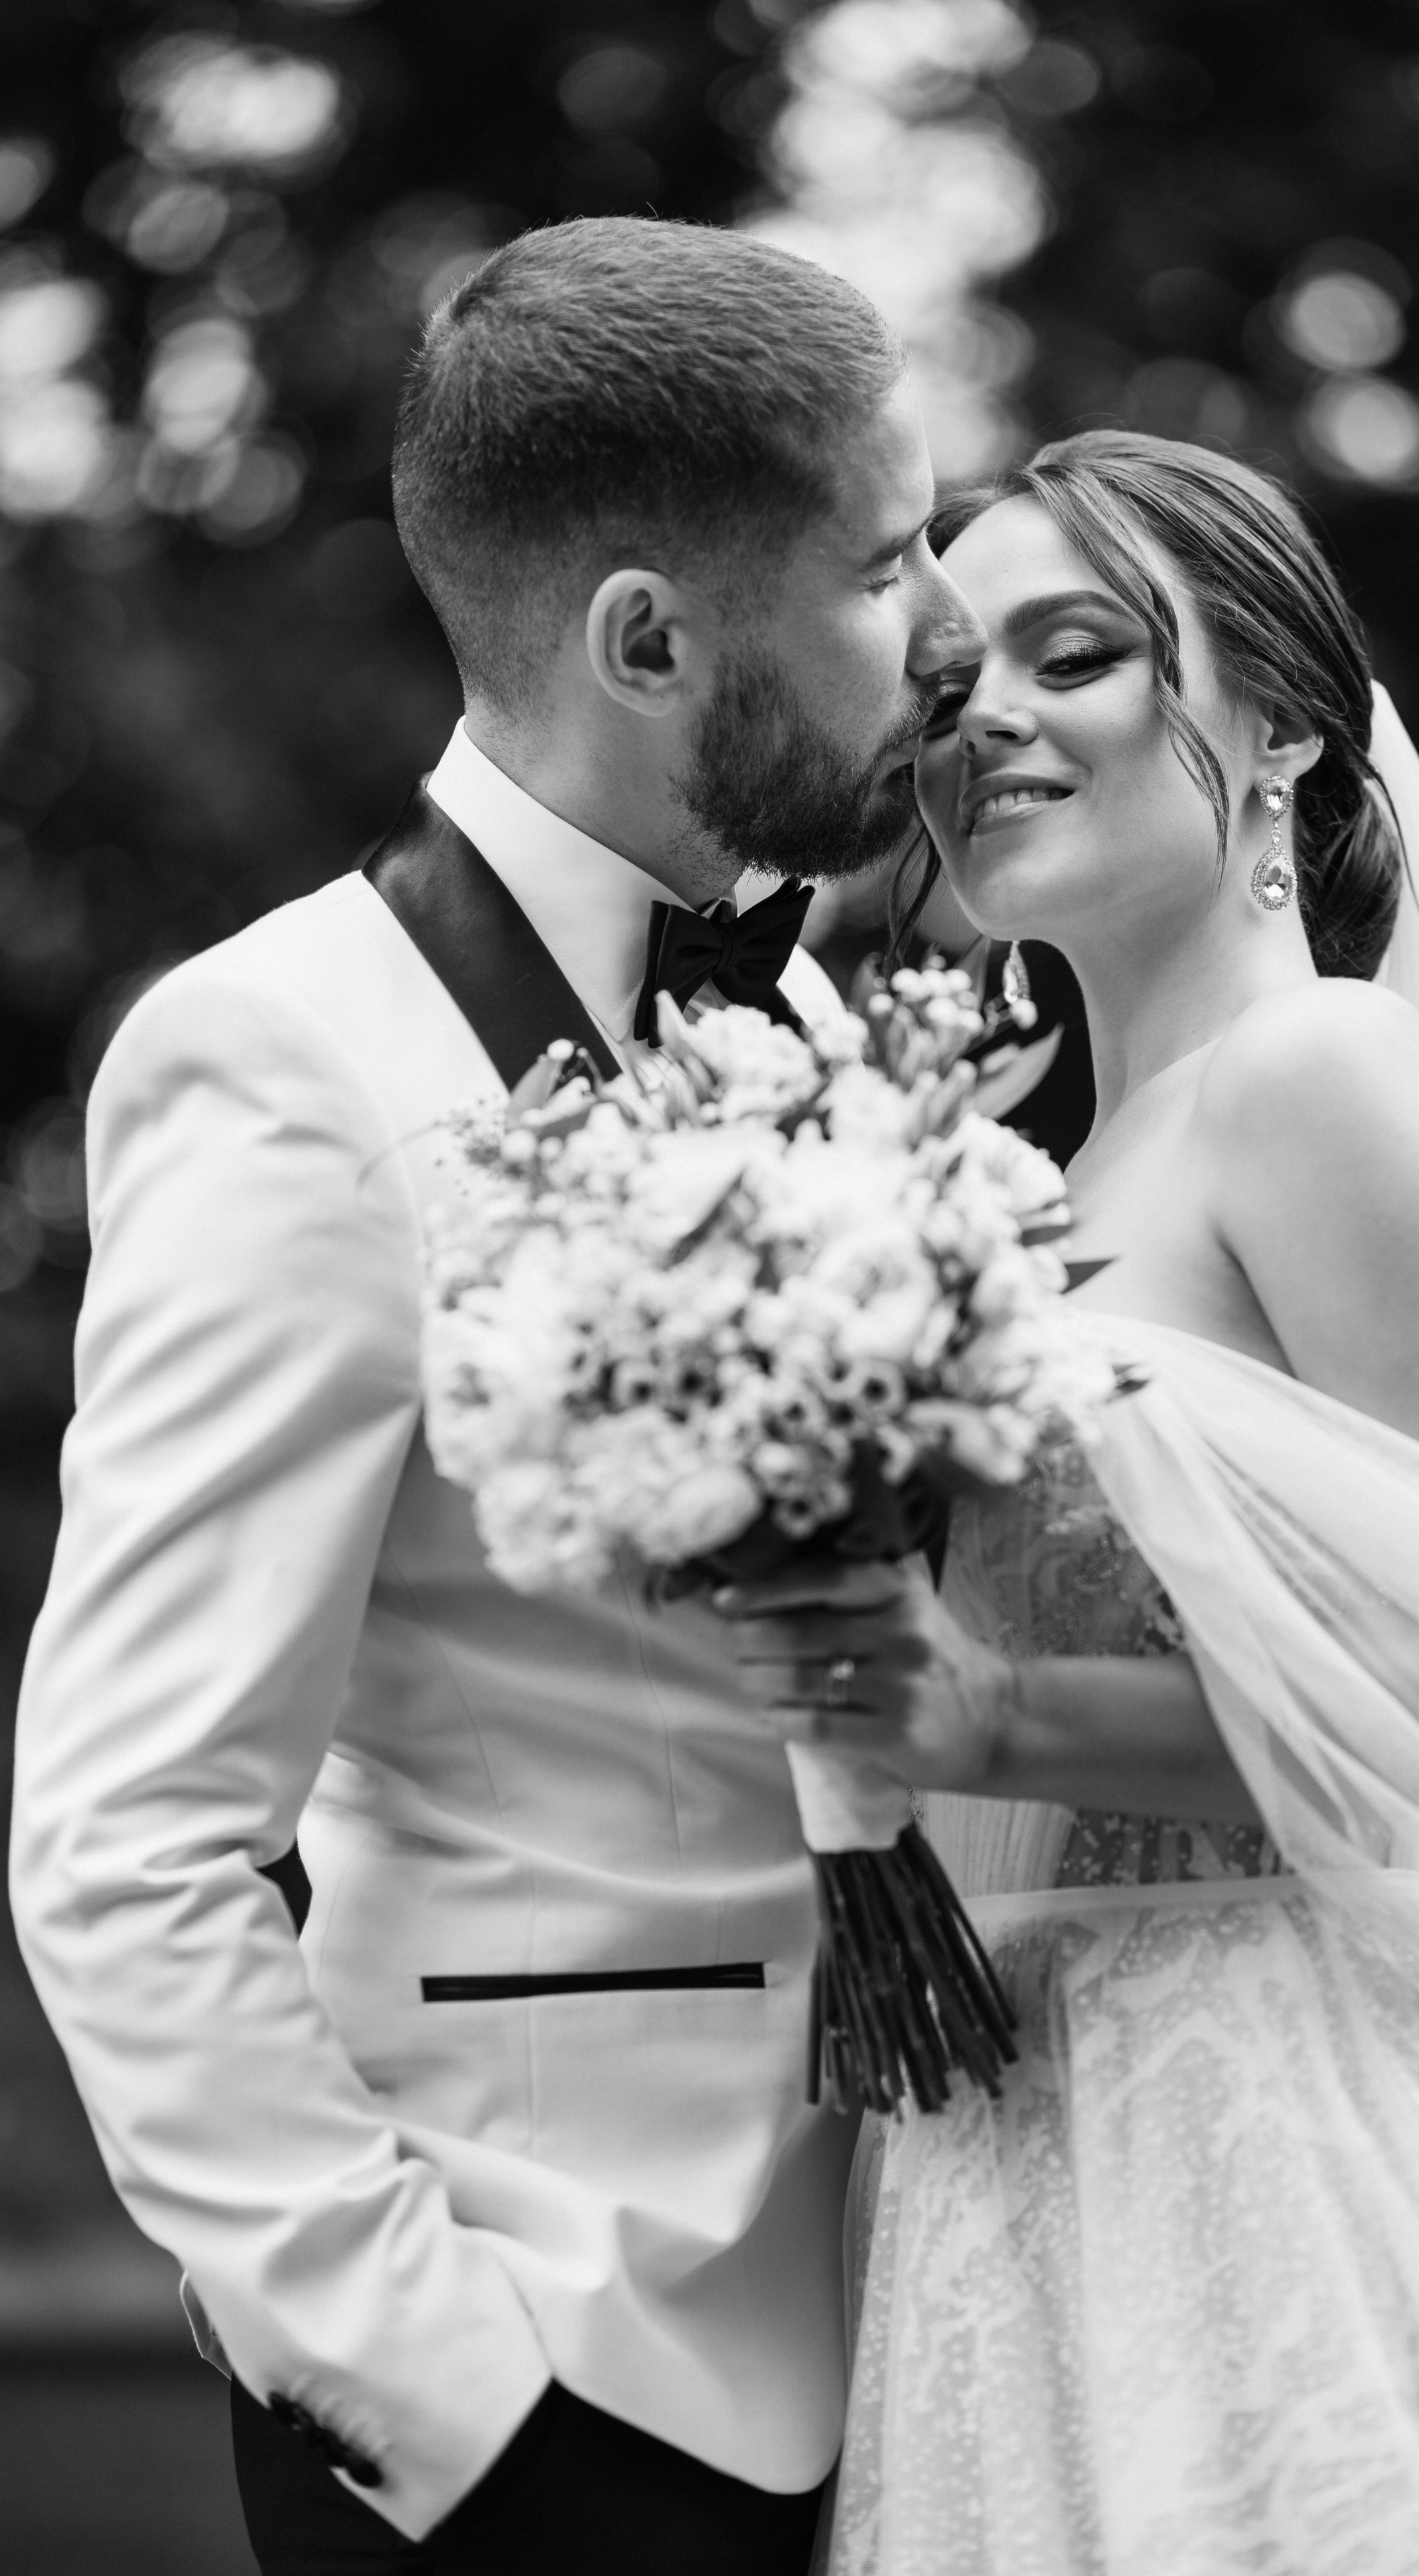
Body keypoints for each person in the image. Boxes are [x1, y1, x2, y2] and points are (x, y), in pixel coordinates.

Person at [7, 217, 982, 2575]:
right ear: (648, 638)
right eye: (884, 568)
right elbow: (129, 1846)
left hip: (937, 2326)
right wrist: (441, 2410)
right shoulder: (284, 1063)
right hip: (561, 2390)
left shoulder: (848, 1027)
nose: (951, 637)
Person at [718, 431, 1419, 2571]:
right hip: (1013, 2157)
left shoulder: (1319, 1078)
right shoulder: (1024, 1187)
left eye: (1076, 654)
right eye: (952, 675)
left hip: (1283, 2139)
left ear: (1277, 725)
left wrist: (978, 1733)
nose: (983, 716)